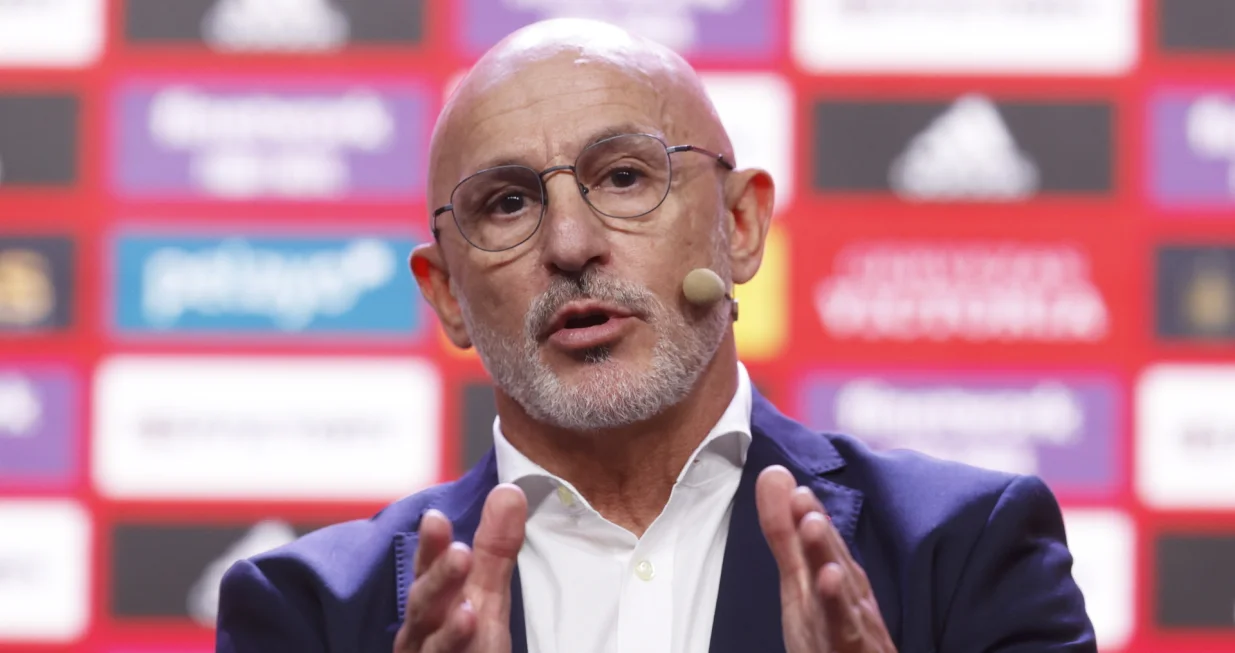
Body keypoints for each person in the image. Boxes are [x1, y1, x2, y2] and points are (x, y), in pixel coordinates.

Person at [214, 18, 1097, 653]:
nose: (569, 245)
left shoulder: (964, 549)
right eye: (508, 203)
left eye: (626, 175)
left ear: (741, 226)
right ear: (446, 294)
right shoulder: (309, 611)